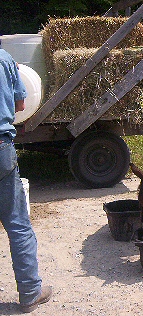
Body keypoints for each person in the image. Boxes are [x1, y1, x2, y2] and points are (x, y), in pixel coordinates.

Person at [0, 48, 52, 312]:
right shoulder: (5, 59)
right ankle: (31, 292)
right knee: (17, 223)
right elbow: (21, 105)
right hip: (0, 148)